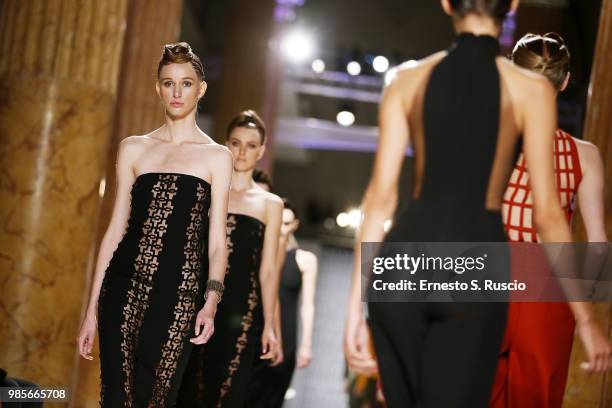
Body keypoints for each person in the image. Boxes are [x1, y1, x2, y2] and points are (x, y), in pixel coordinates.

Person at [343, 1, 611, 407]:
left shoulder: (406, 78)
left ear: (447, 4)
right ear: (513, 6)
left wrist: (355, 309)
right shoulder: (530, 92)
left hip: (406, 259)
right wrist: (588, 320)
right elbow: (550, 216)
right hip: (478, 261)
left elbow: (379, 199)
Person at [76, 42, 233, 406]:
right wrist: (91, 311)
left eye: (186, 83)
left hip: (179, 293)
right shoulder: (133, 148)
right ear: (157, 88)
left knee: (156, 398)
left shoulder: (217, 157)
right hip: (123, 286)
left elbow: (216, 243)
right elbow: (116, 229)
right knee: (116, 396)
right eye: (168, 83)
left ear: (201, 88)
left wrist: (210, 301)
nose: (176, 92)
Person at [490, 32, 610, 408]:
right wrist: (588, 316)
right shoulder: (585, 155)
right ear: (566, 81)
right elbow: (598, 244)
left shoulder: (485, 139)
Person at [177, 110, 283, 406]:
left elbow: (269, 270)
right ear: (226, 145)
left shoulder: (269, 204)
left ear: (261, 151)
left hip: (242, 308)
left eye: (251, 145)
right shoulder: (208, 191)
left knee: (225, 391)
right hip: (196, 299)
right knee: (185, 388)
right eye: (236, 143)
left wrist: (271, 325)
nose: (242, 151)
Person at [247, 198, 318, 407]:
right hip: (255, 328)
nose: (281, 230)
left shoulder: (305, 260)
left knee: (273, 398)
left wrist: (306, 344)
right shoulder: (257, 255)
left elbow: (308, 305)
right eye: (278, 223)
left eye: (287, 224)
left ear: (295, 225)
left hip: (286, 335)